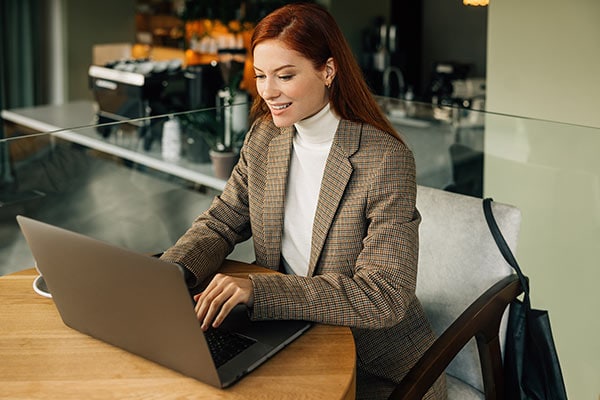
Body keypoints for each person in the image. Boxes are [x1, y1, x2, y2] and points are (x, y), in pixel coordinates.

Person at [160, 3, 446, 399]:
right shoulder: (266, 137)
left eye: (285, 75)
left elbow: (384, 295)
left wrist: (258, 291)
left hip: (376, 368)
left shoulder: (384, 160)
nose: (268, 92)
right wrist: (169, 274)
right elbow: (222, 221)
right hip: (291, 340)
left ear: (328, 71)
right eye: (261, 76)